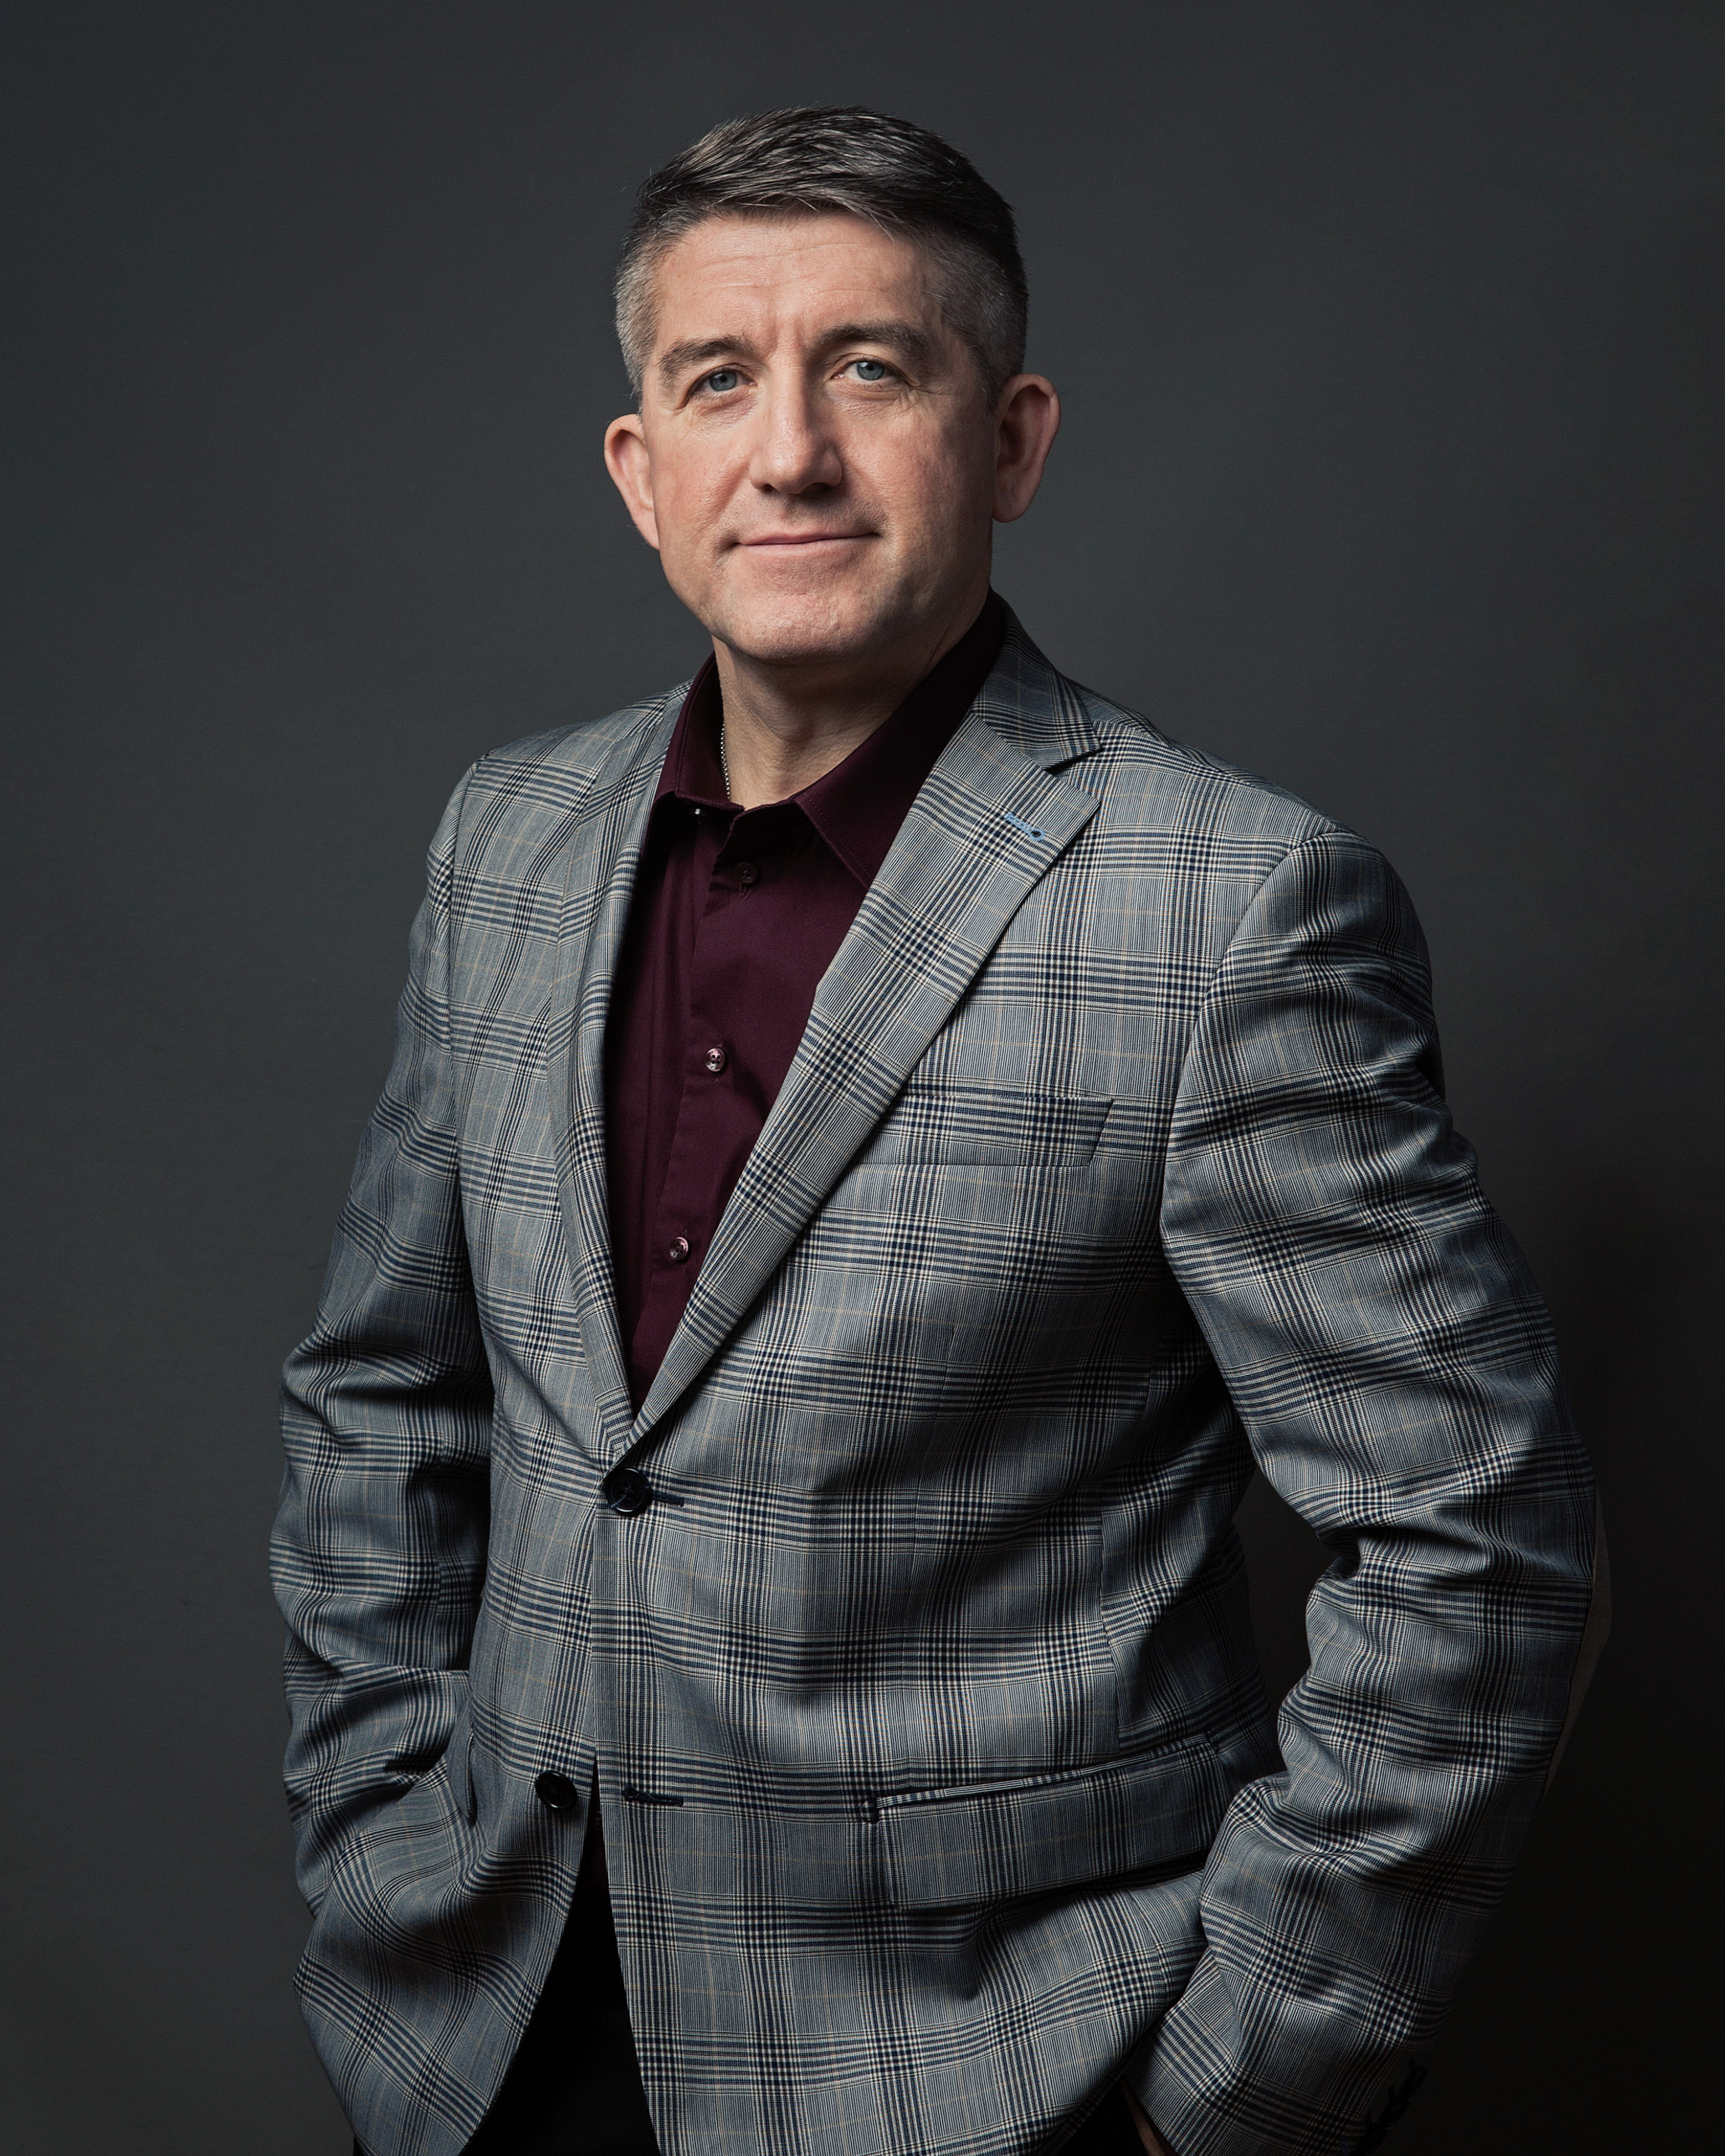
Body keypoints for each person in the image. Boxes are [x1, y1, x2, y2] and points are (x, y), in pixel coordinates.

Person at [272, 106, 1607, 2156]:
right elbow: (384, 1394)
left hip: (995, 2075)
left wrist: (1231, 2095)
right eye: (717, 379)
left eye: (869, 369)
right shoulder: (508, 841)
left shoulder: (1228, 904)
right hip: (492, 2030)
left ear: (1011, 440)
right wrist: (380, 1835)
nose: (786, 450)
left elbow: (1472, 1542)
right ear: (640, 468)